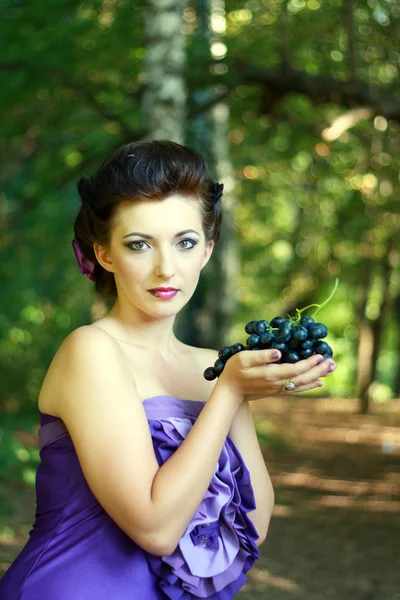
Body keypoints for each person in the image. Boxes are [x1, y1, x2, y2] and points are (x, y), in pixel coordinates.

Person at [0, 140, 335, 599]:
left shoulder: (210, 366)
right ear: (105, 255)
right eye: (139, 244)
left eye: (185, 242)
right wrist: (230, 393)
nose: (165, 268)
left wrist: (234, 394)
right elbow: (155, 529)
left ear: (207, 251)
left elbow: (251, 528)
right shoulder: (91, 350)